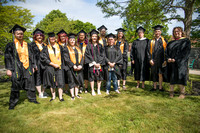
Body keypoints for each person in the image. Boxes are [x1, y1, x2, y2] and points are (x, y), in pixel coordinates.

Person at [5, 24, 39, 110]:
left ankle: (32, 99)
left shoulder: (27, 44)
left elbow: (32, 56)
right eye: (18, 34)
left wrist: (34, 65)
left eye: (21, 33)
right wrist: (9, 69)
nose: (20, 35)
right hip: (16, 67)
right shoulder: (10, 45)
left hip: (28, 66)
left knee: (31, 83)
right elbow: (7, 57)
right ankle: (13, 103)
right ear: (14, 34)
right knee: (15, 84)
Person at [166, 27, 191, 99]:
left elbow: (186, 53)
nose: (176, 33)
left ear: (181, 32)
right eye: (175, 31)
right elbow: (167, 52)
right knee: (172, 77)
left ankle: (182, 94)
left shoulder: (186, 41)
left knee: (181, 77)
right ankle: (171, 93)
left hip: (181, 63)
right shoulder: (171, 42)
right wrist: (168, 58)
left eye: (178, 31)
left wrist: (176, 59)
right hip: (171, 63)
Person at [40, 32, 65, 102]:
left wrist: (59, 64)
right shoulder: (45, 48)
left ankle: (60, 97)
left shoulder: (60, 47)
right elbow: (44, 58)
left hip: (59, 67)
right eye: (51, 38)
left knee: (60, 81)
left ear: (56, 38)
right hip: (50, 67)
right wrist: (53, 64)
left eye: (53, 37)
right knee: (52, 82)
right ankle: (53, 96)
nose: (52, 39)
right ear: (48, 39)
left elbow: (63, 57)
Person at [63, 33, 84, 100]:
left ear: (75, 41)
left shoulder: (78, 48)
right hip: (70, 68)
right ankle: (72, 95)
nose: (72, 41)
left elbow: (82, 57)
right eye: (71, 40)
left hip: (79, 67)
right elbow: (66, 59)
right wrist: (73, 65)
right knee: (71, 81)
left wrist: (81, 65)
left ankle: (76, 94)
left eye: (73, 40)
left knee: (77, 81)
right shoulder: (66, 48)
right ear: (68, 40)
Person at [84, 29, 105, 96]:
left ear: (97, 37)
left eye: (95, 36)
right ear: (91, 37)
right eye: (93, 36)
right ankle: (92, 90)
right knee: (91, 77)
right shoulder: (88, 46)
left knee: (99, 77)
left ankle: (98, 89)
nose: (94, 37)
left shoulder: (100, 45)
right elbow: (87, 54)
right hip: (92, 64)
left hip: (99, 64)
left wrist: (99, 63)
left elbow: (102, 55)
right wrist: (93, 63)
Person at [147, 25, 168, 91]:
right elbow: (148, 51)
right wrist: (150, 59)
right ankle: (154, 87)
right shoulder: (151, 41)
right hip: (154, 60)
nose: (157, 33)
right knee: (154, 73)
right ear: (154, 32)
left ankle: (160, 87)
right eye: (156, 31)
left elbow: (167, 51)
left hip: (161, 60)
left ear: (161, 32)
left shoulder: (164, 41)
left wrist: (165, 60)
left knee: (160, 74)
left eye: (158, 31)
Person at [31, 28, 48, 98]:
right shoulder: (32, 45)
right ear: (35, 36)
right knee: (38, 78)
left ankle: (43, 91)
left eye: (41, 35)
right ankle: (40, 93)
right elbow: (31, 55)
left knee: (45, 77)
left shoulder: (45, 45)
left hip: (45, 64)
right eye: (37, 35)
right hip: (37, 63)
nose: (39, 37)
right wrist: (34, 65)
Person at [57, 29, 68, 94]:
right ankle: (61, 88)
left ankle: (66, 89)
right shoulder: (57, 44)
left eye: (64, 36)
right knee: (61, 76)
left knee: (67, 76)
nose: (63, 37)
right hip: (60, 62)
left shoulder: (68, 44)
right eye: (61, 36)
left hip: (67, 62)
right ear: (59, 37)